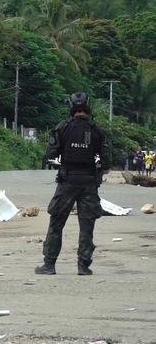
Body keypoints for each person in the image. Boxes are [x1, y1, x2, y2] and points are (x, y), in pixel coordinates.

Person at [35, 91, 111, 276]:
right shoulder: (98, 131)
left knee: (56, 223)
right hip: (89, 182)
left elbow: (50, 154)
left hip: (67, 180)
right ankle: (83, 266)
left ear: (71, 106)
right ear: (88, 106)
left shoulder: (62, 128)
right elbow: (107, 161)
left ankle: (49, 265)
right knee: (87, 225)